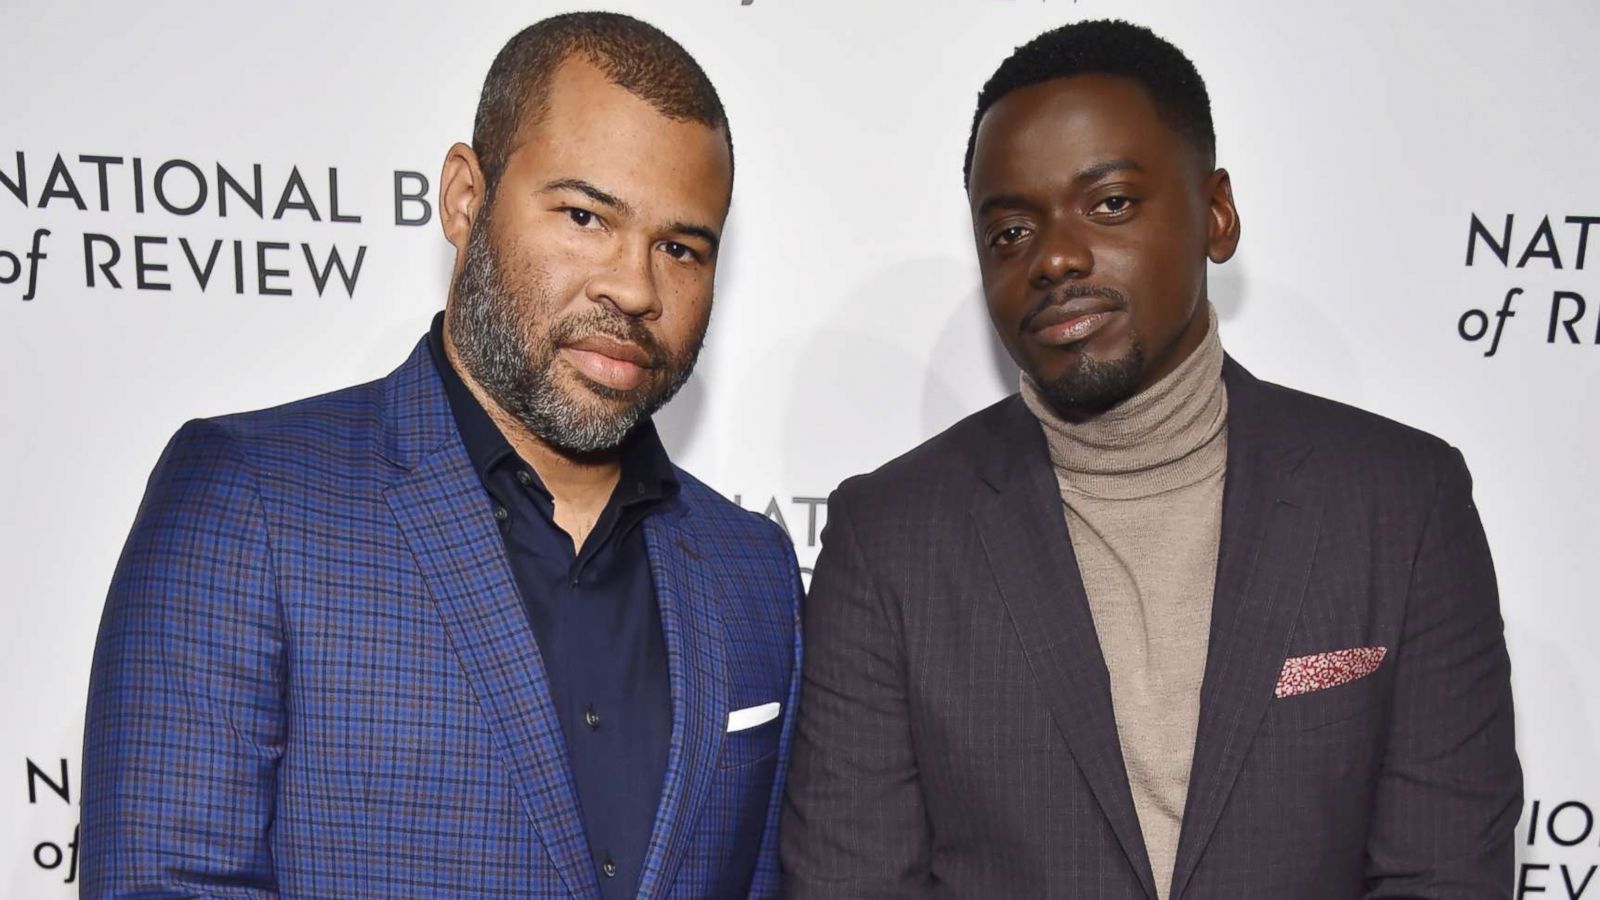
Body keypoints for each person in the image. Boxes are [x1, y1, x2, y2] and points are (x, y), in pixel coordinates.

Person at [782, 19, 1519, 899]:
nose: (1055, 257)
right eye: (1010, 232)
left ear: (1216, 213)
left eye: (1111, 205)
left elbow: (1443, 874)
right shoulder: (891, 538)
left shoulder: (1402, 504)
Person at [82, 13, 801, 899]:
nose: (635, 287)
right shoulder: (252, 500)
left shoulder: (753, 569)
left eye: (680, 248)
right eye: (584, 216)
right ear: (465, 196)